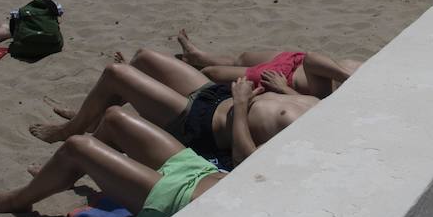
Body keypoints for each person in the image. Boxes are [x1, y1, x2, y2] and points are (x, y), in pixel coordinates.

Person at [27, 49, 317, 163]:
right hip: (218, 96)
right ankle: (90, 121)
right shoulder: (323, 108)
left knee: (117, 74)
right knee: (143, 59)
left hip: (202, 123)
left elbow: (246, 160)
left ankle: (70, 130)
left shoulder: (306, 141)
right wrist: (284, 90)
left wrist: (241, 106)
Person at [0, 107, 227, 217]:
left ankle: (19, 200)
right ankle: (66, 174)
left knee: (79, 145)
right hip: (203, 171)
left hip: (179, 200)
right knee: (114, 117)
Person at [176, 31, 361, 99]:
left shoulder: (346, 96)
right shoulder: (373, 73)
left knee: (211, 74)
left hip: (283, 78)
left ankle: (183, 72)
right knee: (242, 58)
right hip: (297, 61)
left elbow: (313, 108)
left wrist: (283, 89)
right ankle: (196, 56)